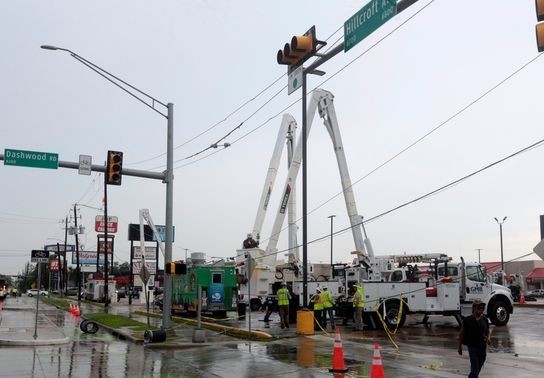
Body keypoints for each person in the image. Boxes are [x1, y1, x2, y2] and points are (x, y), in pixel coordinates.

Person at [458, 300, 490, 378]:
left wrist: (488, 338)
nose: (481, 309)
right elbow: (461, 334)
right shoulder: (467, 320)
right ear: (474, 308)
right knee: (474, 368)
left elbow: (488, 332)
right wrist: (459, 347)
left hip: (482, 348)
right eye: (479, 307)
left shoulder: (485, 320)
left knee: (477, 368)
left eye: (483, 308)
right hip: (472, 347)